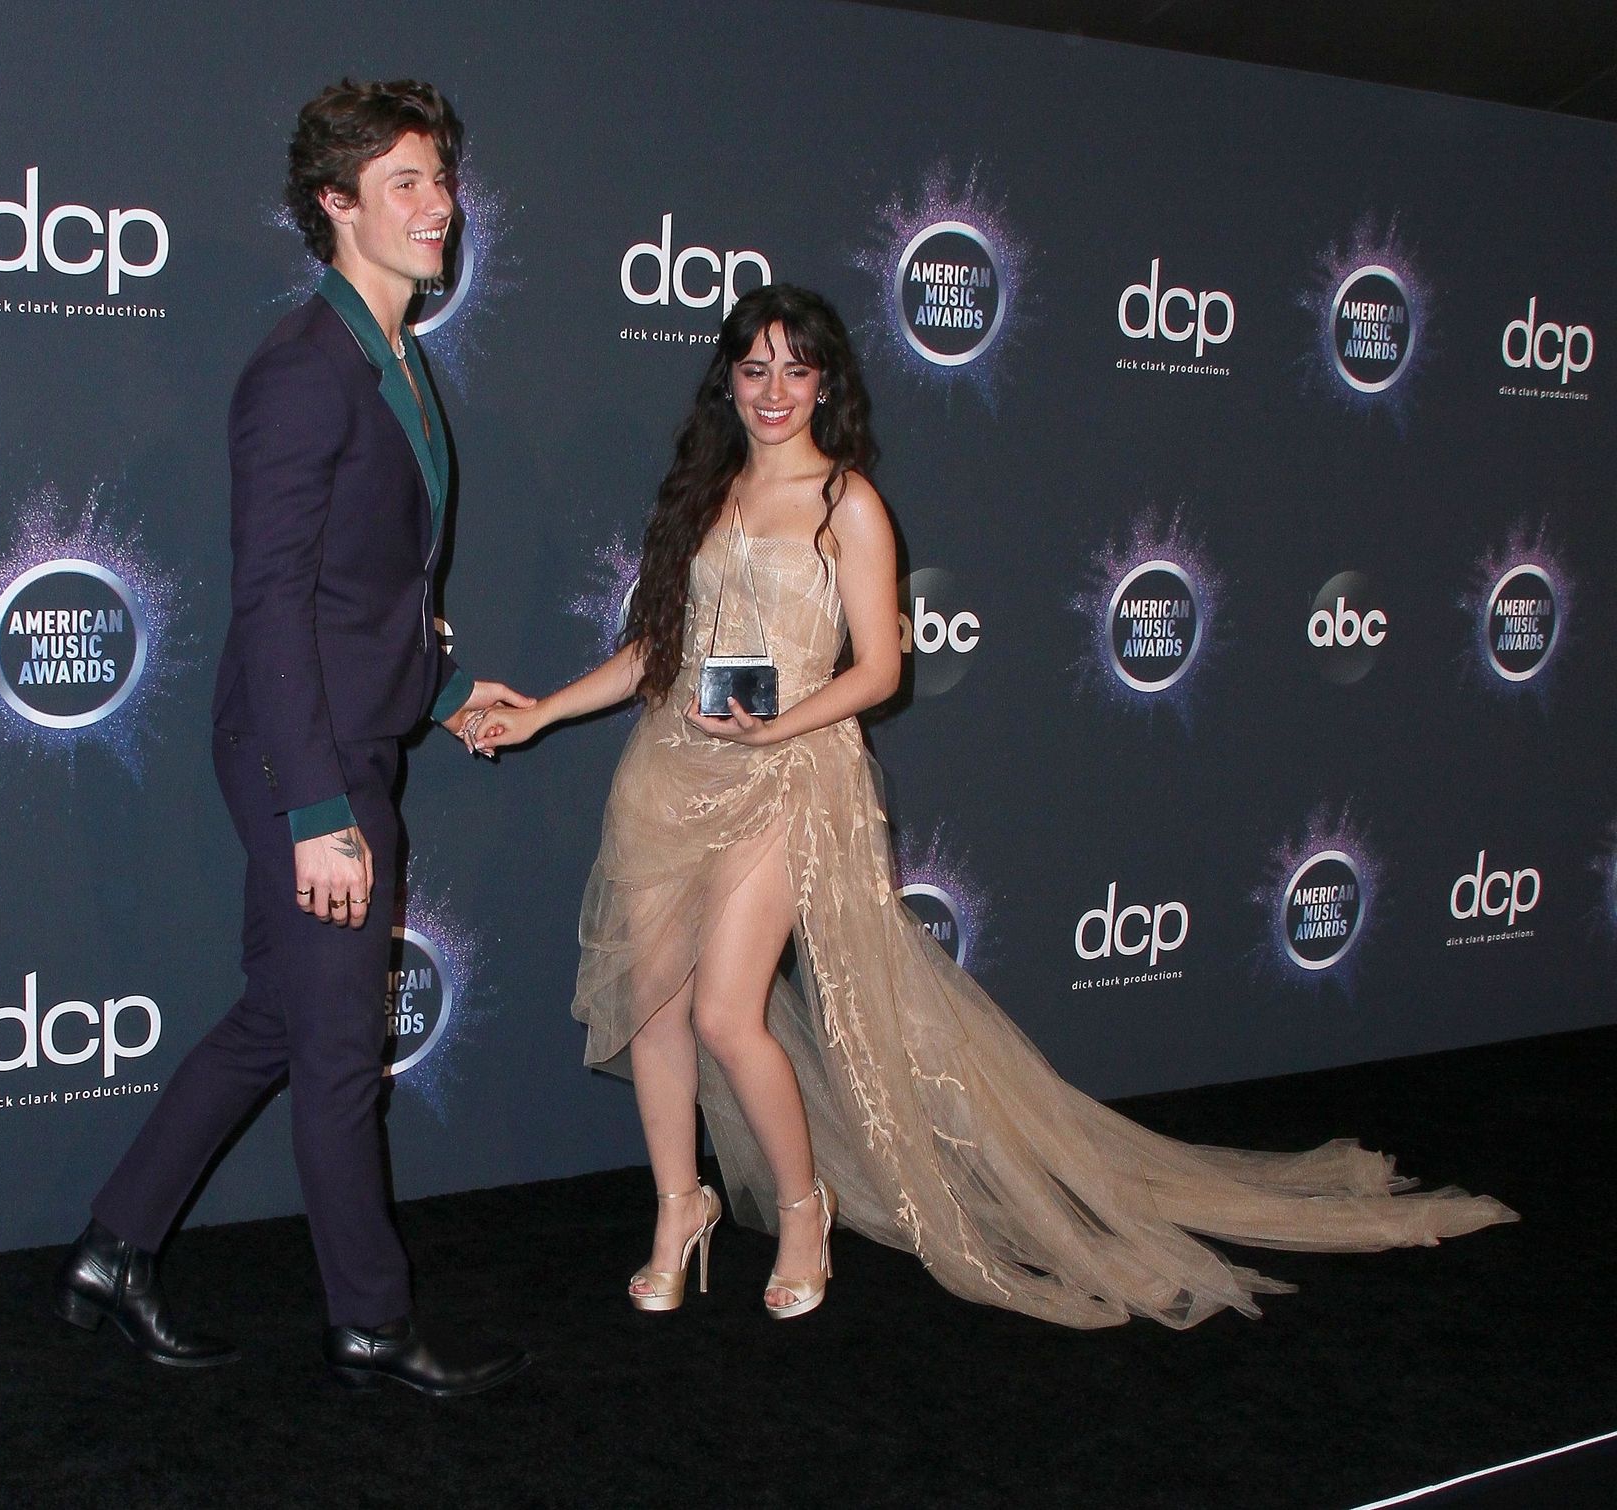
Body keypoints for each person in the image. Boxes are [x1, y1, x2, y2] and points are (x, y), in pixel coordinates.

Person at [471, 284, 1515, 1328]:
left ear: (825, 382)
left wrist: (777, 727)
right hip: (670, 773)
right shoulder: (706, 491)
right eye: (754, 369)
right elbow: (658, 648)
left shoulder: (849, 502)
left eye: (796, 368)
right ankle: (679, 1208)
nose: (774, 390)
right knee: (655, 1008)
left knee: (722, 1015)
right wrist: (542, 712)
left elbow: (880, 670)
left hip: (790, 779)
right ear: (727, 382)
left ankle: (802, 1211)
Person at [54, 79, 531, 1394]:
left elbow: (358, 594)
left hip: (346, 730)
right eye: (404, 183)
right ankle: (370, 1322)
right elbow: (269, 602)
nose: (439, 206)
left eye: (441, 179)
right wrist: (318, 807)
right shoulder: (304, 370)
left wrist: (443, 694)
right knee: (336, 1053)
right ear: (335, 203)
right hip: (298, 753)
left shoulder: (396, 357)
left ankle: (114, 1246)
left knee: (281, 1014)